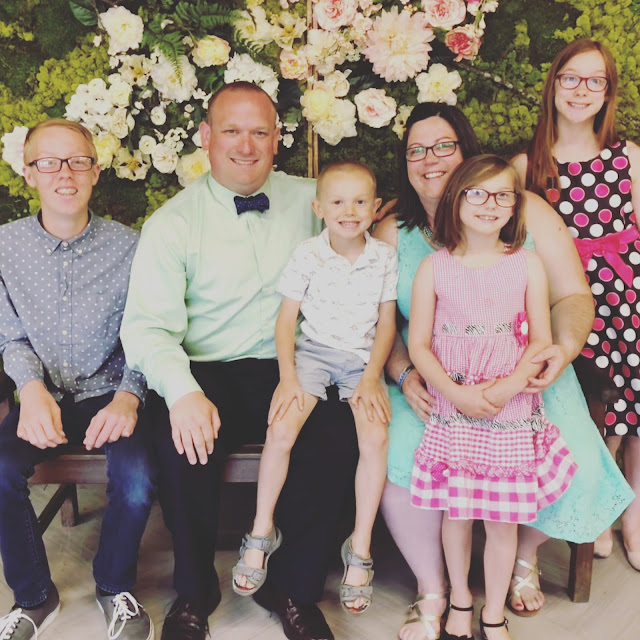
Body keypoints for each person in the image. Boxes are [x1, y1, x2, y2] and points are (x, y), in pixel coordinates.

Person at [372, 103, 634, 639]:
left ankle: (519, 557)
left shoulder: (526, 214)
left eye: (444, 146)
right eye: (416, 150)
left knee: (576, 466)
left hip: (526, 376)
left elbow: (572, 297)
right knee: (400, 465)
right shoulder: (395, 232)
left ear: (467, 153)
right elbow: (381, 324)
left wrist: (558, 352)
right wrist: (403, 372)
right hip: (432, 382)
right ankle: (435, 589)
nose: (430, 159)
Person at [120, 82, 358, 640]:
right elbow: (148, 327)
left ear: (277, 140)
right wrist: (183, 393)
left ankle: (294, 588)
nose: (246, 146)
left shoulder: (318, 201)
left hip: (295, 364)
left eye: (259, 132)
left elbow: (370, 242)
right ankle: (194, 589)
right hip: (208, 369)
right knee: (183, 445)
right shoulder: (172, 223)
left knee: (334, 438)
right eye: (231, 131)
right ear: (206, 137)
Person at [408, 154, 578, 640]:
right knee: (457, 515)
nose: (490, 204)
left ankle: (494, 613)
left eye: (503, 195)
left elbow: (540, 340)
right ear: (456, 200)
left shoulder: (527, 263)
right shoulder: (434, 268)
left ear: (514, 205)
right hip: (454, 408)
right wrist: (456, 394)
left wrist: (506, 388)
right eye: (477, 193)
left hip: (511, 407)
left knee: (503, 523)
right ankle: (461, 602)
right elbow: (418, 345)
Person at [0, 119, 156, 640]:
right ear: (29, 173)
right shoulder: (4, 246)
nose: (64, 173)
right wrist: (30, 390)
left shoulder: (133, 247)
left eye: (77, 161)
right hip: (41, 394)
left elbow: (149, 331)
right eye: (48, 162)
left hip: (110, 393)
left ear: (95, 170)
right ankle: (34, 597)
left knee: (137, 480)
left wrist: (130, 395)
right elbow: (8, 335)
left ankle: (114, 587)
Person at [232, 161, 397, 615]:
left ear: (375, 208)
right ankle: (262, 530)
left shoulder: (384, 257)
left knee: (375, 438)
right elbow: (286, 321)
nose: (350, 211)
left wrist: (372, 376)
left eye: (360, 202)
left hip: (362, 361)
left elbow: (386, 323)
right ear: (319, 208)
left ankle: (359, 545)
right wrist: (288, 377)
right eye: (338, 202)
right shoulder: (308, 254)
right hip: (313, 355)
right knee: (281, 429)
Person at [513, 38, 640, 573]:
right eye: (570, 77)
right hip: (562, 300)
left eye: (595, 81)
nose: (581, 90)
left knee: (635, 401)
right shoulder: (528, 164)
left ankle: (632, 514)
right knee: (588, 404)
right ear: (553, 85)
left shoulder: (627, 157)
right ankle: (597, 504)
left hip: (627, 295)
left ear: (608, 93)